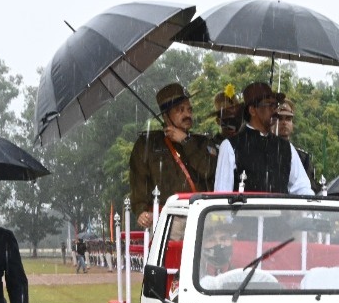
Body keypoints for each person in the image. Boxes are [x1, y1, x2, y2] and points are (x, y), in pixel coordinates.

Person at [130, 83, 218, 228]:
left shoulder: (202, 142)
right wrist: (141, 211)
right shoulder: (147, 145)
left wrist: (185, 141)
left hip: (200, 217)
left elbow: (207, 170)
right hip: (166, 219)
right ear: (165, 116)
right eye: (180, 110)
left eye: (189, 109)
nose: (187, 114)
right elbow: (139, 181)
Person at [213, 82, 313, 195]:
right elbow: (221, 194)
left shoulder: (286, 148)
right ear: (252, 110)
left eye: (275, 105)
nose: (274, 110)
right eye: (269, 105)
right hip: (245, 213)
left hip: (281, 212)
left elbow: (302, 188)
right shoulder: (230, 146)